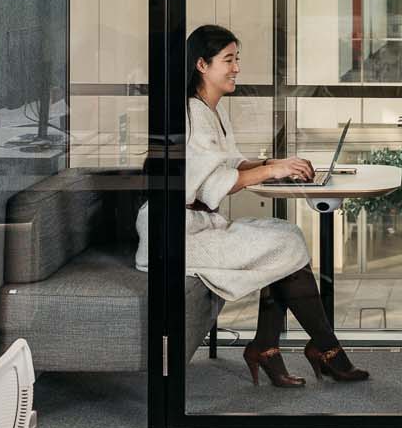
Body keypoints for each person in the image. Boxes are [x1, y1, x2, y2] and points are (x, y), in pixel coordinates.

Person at [136, 24, 368, 387]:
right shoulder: (191, 116)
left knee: (285, 236)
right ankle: (325, 350)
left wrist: (279, 165)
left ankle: (269, 348)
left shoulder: (212, 110)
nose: (236, 68)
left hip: (198, 226)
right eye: (228, 60)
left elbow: (232, 163)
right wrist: (272, 169)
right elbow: (215, 183)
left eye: (236, 59)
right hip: (174, 235)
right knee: (284, 244)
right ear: (201, 64)